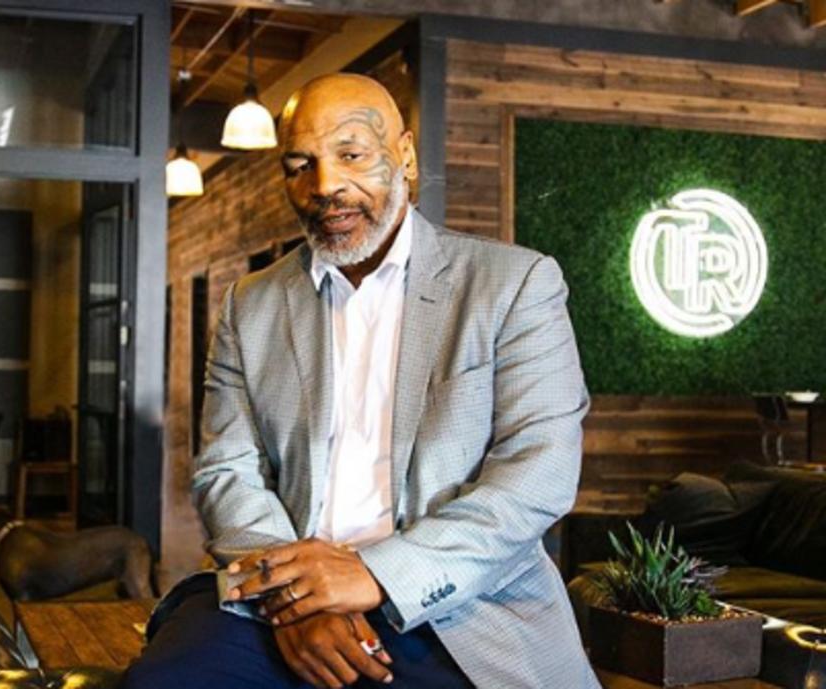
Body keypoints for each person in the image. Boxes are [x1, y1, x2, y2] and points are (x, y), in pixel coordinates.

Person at [121, 73, 599, 688]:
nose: (325, 186)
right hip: (281, 600)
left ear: (405, 156)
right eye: (300, 165)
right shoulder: (250, 304)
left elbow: (539, 474)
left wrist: (376, 574)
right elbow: (226, 471)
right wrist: (293, 599)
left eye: (350, 155)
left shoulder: (514, 285)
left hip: (462, 607)